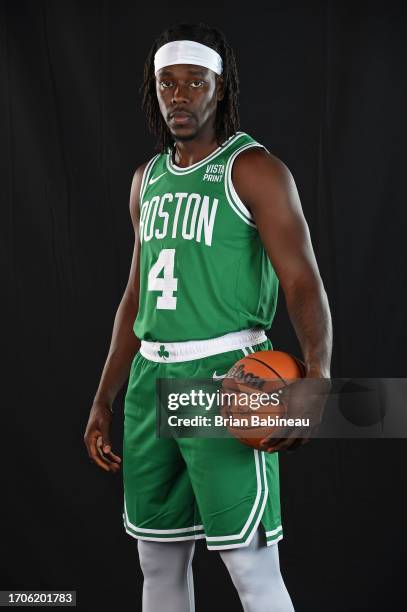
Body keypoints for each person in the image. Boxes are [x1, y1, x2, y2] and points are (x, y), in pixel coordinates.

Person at [84, 22, 332, 612]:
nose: (179, 95)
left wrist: (317, 375)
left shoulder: (254, 169)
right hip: (151, 380)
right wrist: (103, 396)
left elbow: (303, 280)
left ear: (219, 89)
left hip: (226, 377)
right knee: (158, 561)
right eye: (167, 83)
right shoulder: (147, 180)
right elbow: (135, 294)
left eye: (194, 82)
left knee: (249, 563)